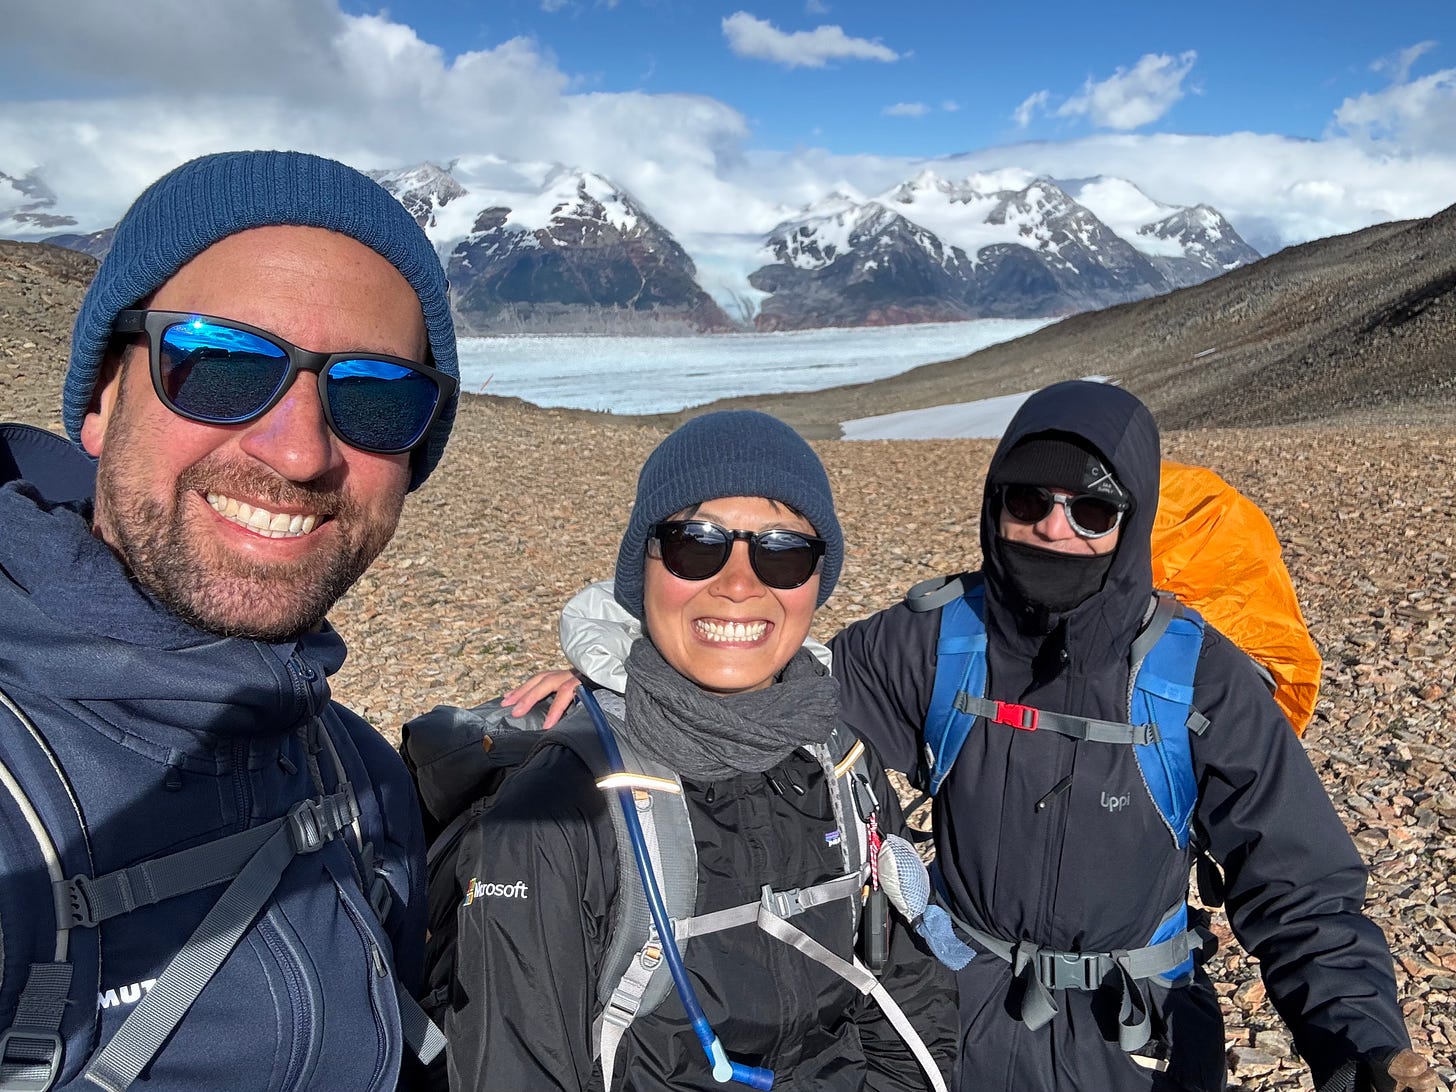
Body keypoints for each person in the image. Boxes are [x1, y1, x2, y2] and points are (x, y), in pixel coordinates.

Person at [508, 382, 1436, 1092]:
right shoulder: (936, 640)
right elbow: (769, 701)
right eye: (1027, 501)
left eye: (1094, 511)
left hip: (1146, 1041)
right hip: (960, 1023)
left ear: (1136, 519)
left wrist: (1359, 1041)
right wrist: (625, 686)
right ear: (994, 505)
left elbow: (1302, 888)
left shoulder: (1200, 677)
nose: (1054, 528)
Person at [0, 150, 459, 1092]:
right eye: (218, 364)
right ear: (99, 398)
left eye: (374, 395)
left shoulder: (362, 781)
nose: (297, 453)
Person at [434, 411, 956, 1091]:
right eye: (696, 544)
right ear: (641, 569)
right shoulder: (557, 811)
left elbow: (907, 1017)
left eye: (783, 552)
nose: (739, 583)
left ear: (815, 583)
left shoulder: (843, 766)